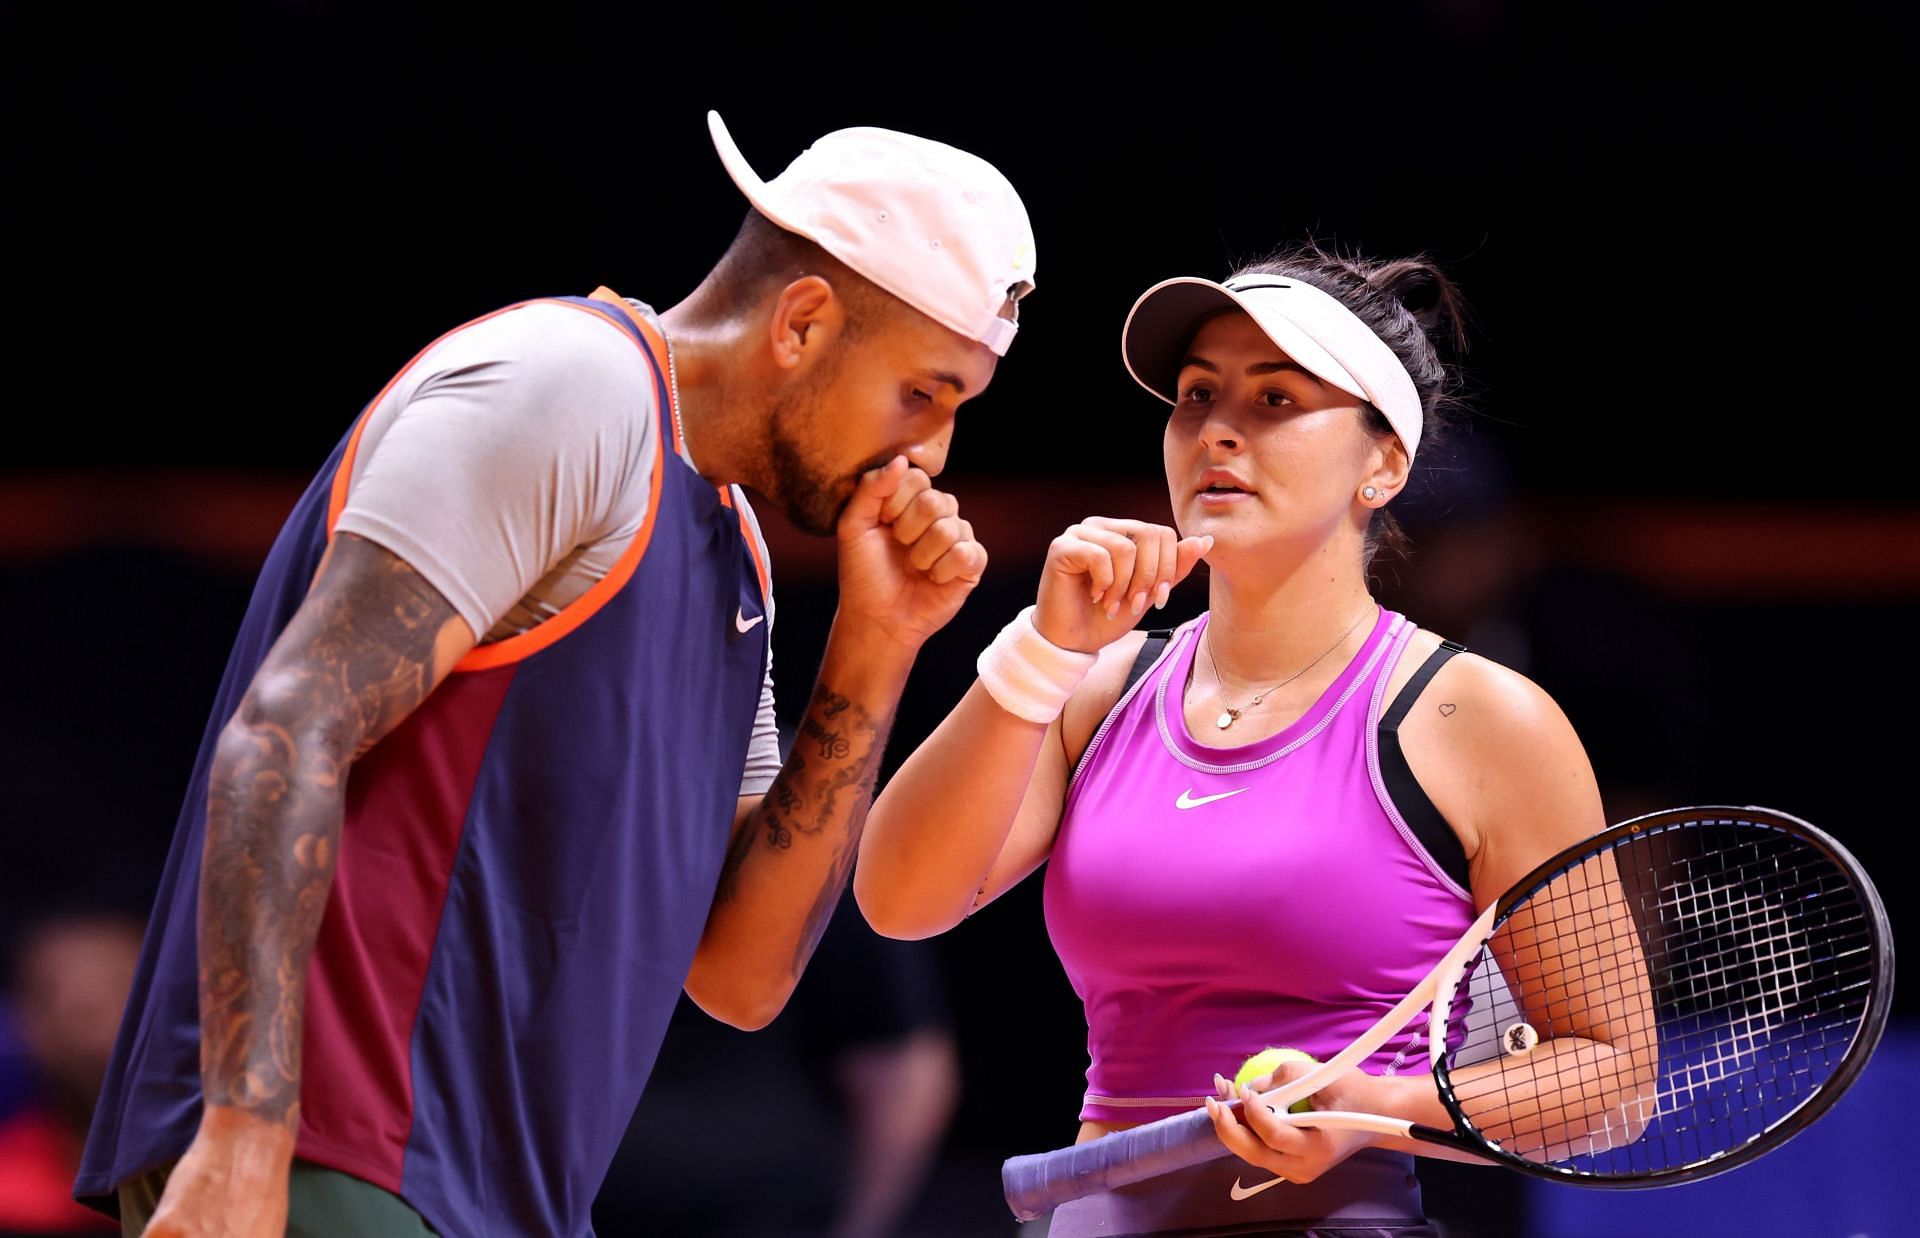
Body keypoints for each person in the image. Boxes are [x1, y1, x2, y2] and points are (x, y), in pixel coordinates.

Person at [75, 111, 1035, 1238]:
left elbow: (742, 974)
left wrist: (878, 644)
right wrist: (243, 1132)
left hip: (493, 1203)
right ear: (804, 321)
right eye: (923, 393)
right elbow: (286, 730)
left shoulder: (740, 553)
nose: (931, 452)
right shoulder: (574, 387)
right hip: (328, 1158)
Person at [857, 246, 1614, 1235]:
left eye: (1274, 401)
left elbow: (1610, 1076)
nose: (1218, 429)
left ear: (1382, 463)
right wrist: (1040, 650)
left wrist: (1371, 1106)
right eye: (1197, 395)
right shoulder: (1094, 685)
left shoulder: (1480, 718)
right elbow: (898, 899)